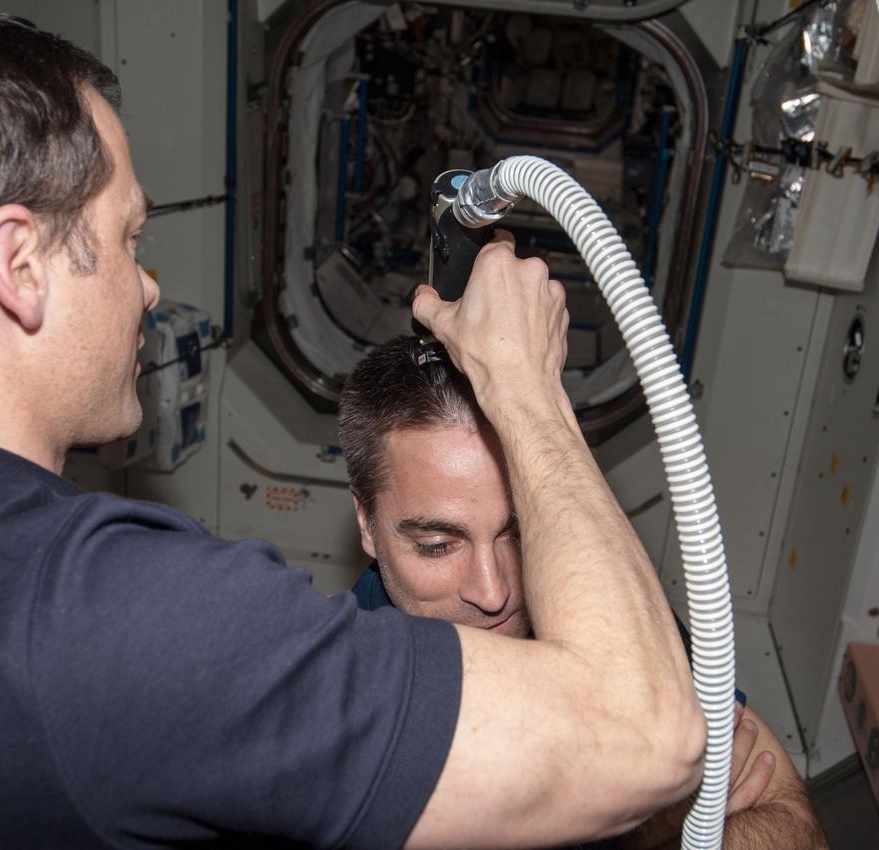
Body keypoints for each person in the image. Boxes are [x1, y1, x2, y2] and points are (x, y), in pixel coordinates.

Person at [0, 2, 707, 848]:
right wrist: (525, 389)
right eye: (129, 238)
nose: (148, 286)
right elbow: (645, 738)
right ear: (19, 266)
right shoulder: (115, 617)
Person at [339, 336, 830, 850]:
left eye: (522, 532)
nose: (493, 591)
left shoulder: (603, 600)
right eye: (439, 546)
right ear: (367, 524)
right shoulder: (336, 693)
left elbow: (793, 823)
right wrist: (654, 826)